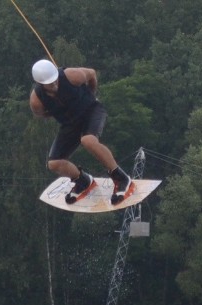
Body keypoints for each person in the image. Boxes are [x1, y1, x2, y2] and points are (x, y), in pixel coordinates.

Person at [28, 59, 132, 205]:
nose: (54, 84)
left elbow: (92, 74)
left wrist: (92, 93)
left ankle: (120, 177)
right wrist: (61, 112)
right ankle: (83, 181)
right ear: (40, 84)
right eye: (50, 84)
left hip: (91, 111)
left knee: (87, 140)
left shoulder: (71, 75)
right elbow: (42, 114)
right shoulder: (36, 101)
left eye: (55, 80)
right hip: (70, 123)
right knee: (54, 163)